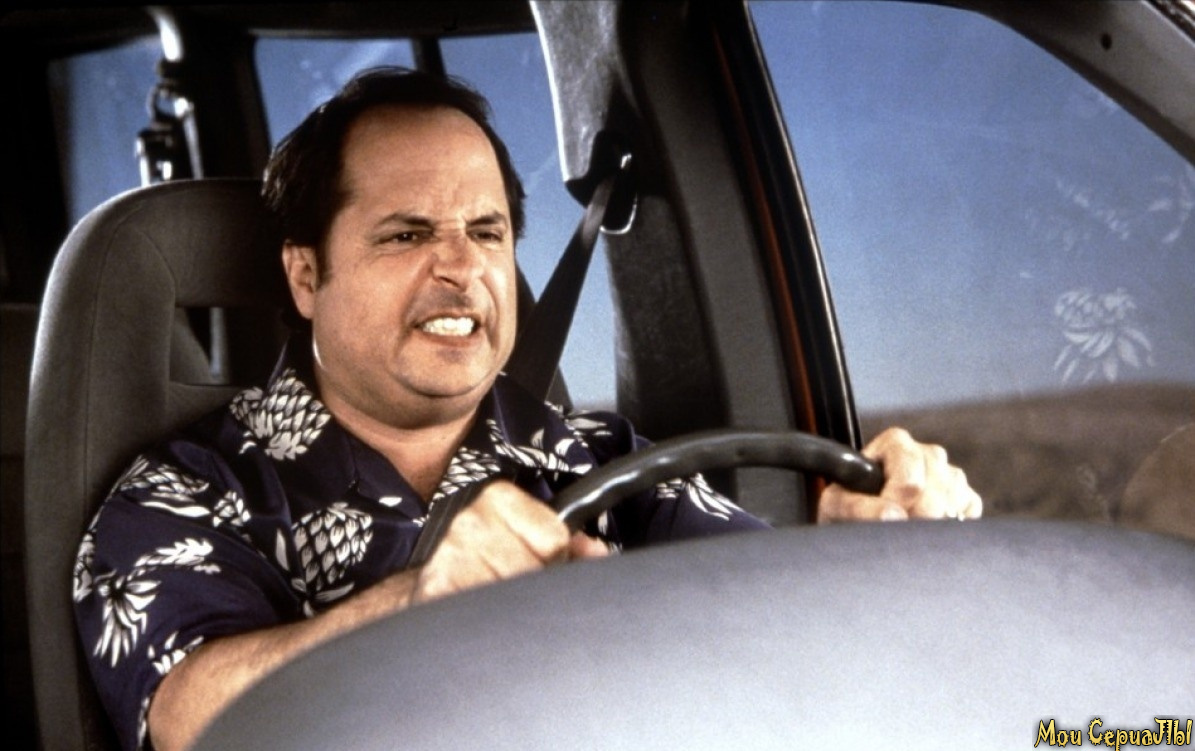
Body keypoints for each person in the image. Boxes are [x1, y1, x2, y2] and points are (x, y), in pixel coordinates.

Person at [73, 67, 982, 751]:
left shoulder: (609, 462)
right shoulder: (182, 493)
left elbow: (773, 638)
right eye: (406, 233)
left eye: (487, 231)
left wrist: (862, 559)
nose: (461, 266)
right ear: (306, 275)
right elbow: (193, 720)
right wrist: (415, 607)